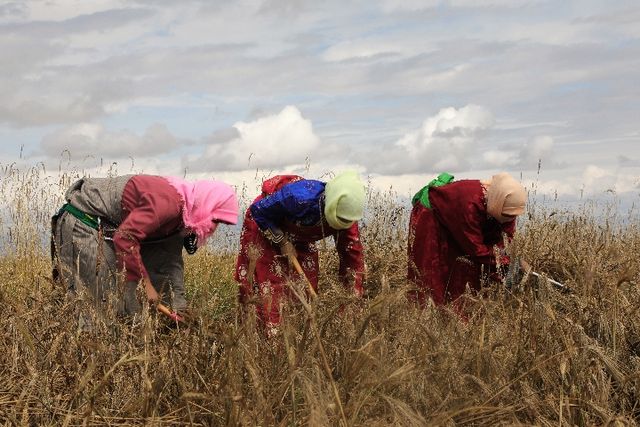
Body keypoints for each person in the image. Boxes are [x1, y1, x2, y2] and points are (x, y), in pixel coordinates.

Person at [51, 174, 239, 324]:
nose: (213, 228)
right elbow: (125, 239)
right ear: (206, 203)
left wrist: (177, 308)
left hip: (113, 229)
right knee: (97, 304)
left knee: (126, 302)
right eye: (215, 220)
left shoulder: (181, 218)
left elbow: (168, 263)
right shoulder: (167, 204)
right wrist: (146, 287)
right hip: (85, 221)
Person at [235, 170, 366, 334]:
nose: (344, 223)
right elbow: (259, 211)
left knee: (304, 290)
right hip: (267, 225)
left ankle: (300, 338)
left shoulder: (346, 215)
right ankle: (269, 342)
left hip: (301, 238)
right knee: (271, 291)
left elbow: (353, 259)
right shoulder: (299, 198)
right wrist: (282, 241)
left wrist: (350, 303)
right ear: (330, 204)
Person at [407, 172, 526, 309]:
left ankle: (463, 311)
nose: (510, 219)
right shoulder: (470, 204)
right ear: (498, 203)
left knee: (465, 269)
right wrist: (507, 263)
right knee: (435, 271)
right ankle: (432, 314)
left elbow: (505, 237)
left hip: (459, 222)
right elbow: (475, 249)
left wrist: (508, 262)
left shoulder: (504, 202)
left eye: (513, 216)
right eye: (506, 215)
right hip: (431, 218)